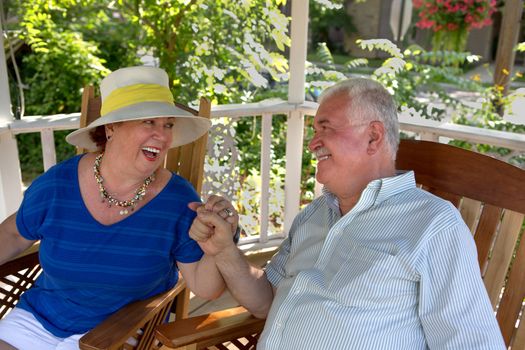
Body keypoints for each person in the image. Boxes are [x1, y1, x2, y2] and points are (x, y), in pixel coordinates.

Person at [188, 78, 506, 349]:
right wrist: (224, 252)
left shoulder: (431, 226)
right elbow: (266, 300)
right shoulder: (315, 214)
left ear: (373, 137)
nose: (313, 143)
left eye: (325, 128)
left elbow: (471, 342)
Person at [0, 66, 234, 350]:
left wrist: (220, 243)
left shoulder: (179, 201)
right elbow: (12, 235)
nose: (162, 136)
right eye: (148, 122)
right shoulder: (57, 185)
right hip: (37, 320)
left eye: (168, 124)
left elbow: (206, 287)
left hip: (118, 332)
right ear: (111, 128)